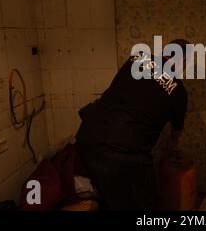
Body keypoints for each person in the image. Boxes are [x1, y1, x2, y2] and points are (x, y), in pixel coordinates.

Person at [75, 39, 189, 210]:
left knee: (110, 200)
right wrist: (172, 150)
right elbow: (176, 133)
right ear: (184, 61)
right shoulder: (178, 90)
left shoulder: (138, 59)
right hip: (124, 154)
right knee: (144, 205)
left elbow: (119, 91)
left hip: (88, 138)